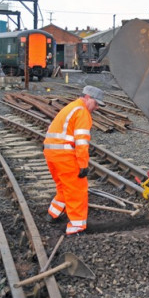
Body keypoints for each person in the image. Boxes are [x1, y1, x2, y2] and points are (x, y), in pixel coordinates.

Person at [43, 85, 105, 235]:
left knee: (64, 187)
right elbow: (81, 142)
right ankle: (76, 227)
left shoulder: (71, 107)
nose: (96, 108)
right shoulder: (82, 112)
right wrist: (83, 165)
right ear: (88, 98)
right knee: (77, 190)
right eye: (96, 103)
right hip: (64, 156)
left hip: (52, 153)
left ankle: (53, 213)